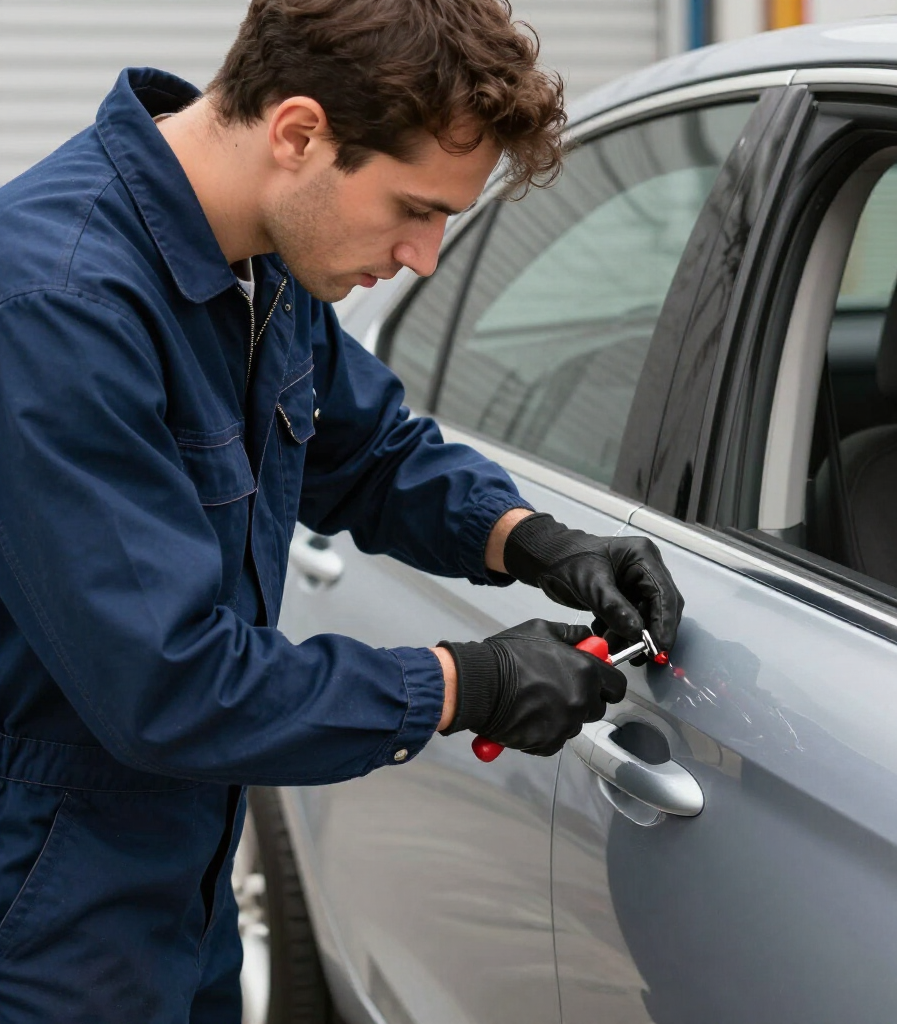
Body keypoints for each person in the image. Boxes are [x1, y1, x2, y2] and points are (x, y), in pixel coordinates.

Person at [0, 0, 683, 1020]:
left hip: (174, 892)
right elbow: (168, 682)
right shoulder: (58, 305)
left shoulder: (258, 258)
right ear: (298, 133)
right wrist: (467, 683)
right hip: (43, 915)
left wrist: (534, 542)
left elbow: (365, 450)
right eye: (414, 207)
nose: (425, 257)